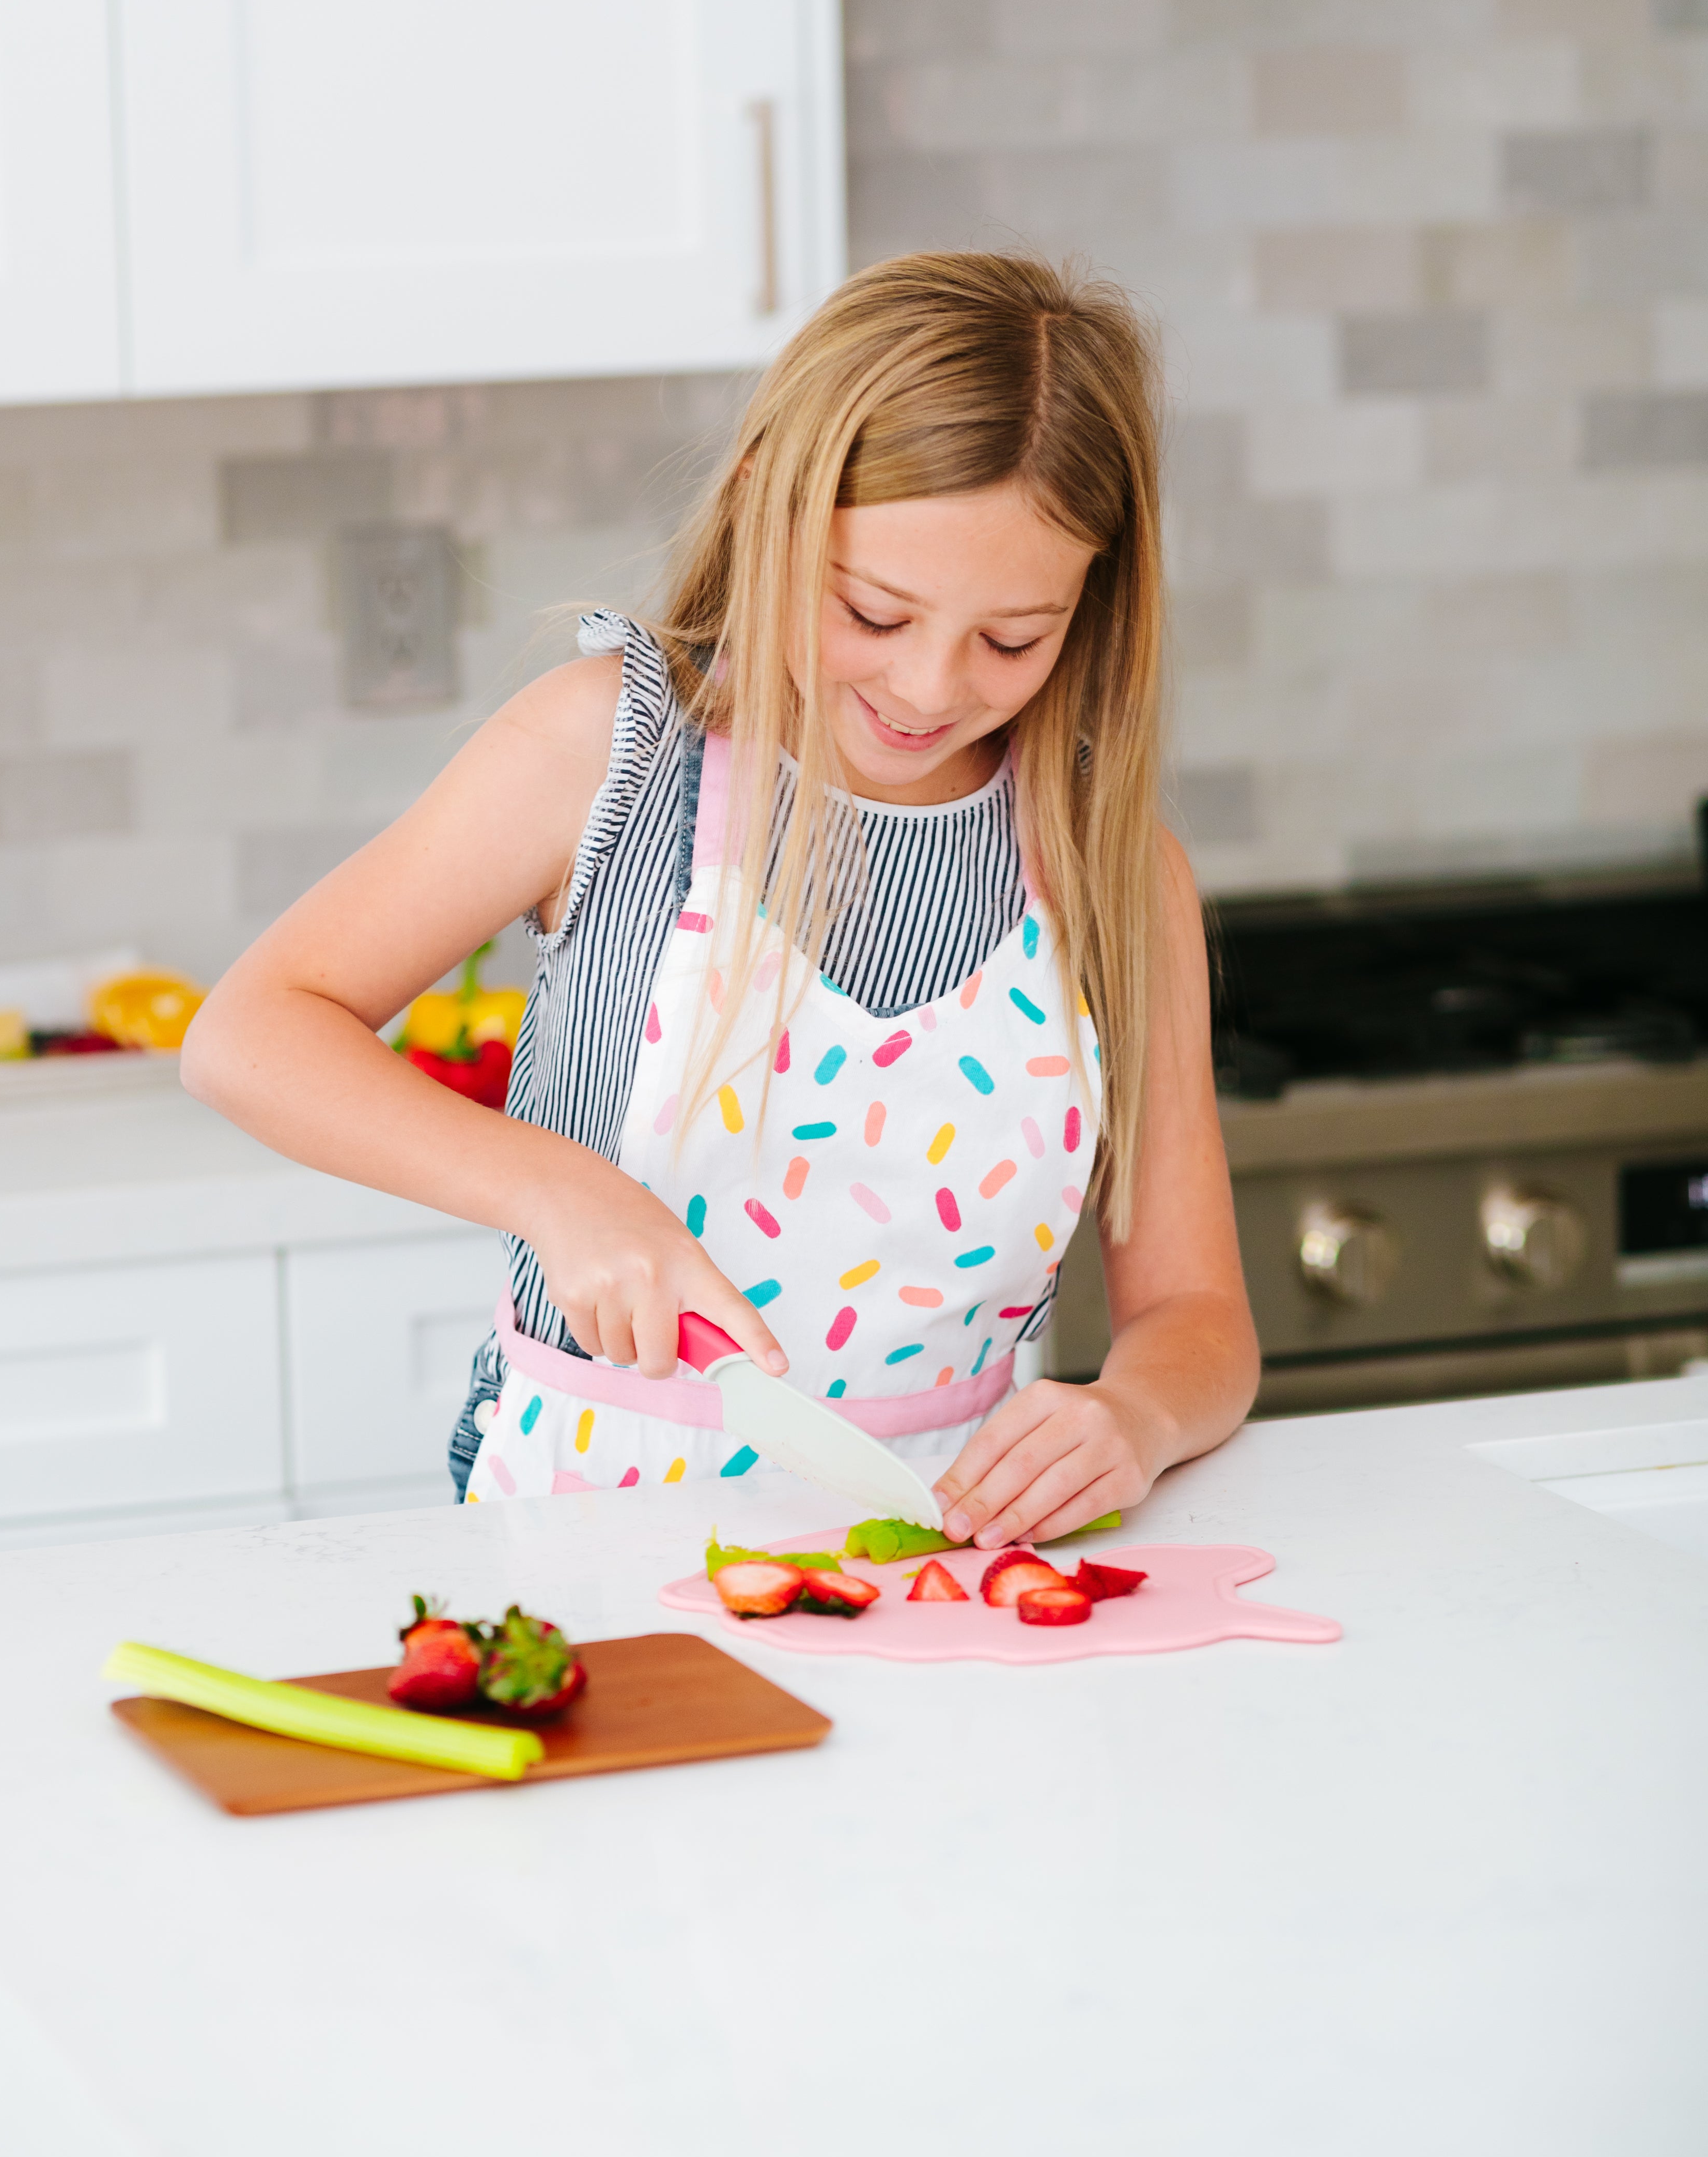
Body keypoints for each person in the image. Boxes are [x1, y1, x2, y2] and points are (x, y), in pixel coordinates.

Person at [183, 254, 1259, 1548]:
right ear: (769, 503)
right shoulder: (614, 754)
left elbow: (1197, 1317)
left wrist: (1134, 1418)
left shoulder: (1115, 872)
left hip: (945, 1549)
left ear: (1095, 606)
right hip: (593, 1532)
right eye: (875, 611)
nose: (929, 686)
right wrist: (557, 1193)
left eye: (1012, 639)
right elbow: (251, 1031)